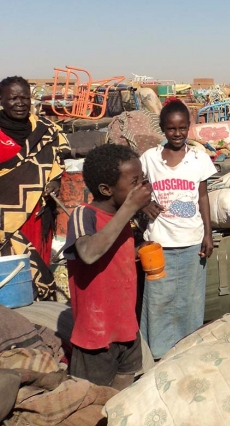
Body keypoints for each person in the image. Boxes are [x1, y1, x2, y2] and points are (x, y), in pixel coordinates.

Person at [63, 144, 153, 389]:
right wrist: (130, 208)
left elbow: (112, 256)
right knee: (92, 403)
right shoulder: (84, 215)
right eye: (135, 182)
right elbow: (89, 253)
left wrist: (138, 251)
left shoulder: (122, 217)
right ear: (106, 189)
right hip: (96, 336)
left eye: (142, 179)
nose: (142, 186)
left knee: (121, 398)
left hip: (126, 328)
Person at [140, 98, 216, 359]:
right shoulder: (150, 159)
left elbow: (203, 197)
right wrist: (145, 204)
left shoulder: (198, 159)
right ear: (162, 129)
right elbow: (133, 185)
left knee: (189, 300)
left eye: (182, 128)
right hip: (159, 243)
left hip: (192, 241)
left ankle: (188, 352)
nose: (177, 134)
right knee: (159, 300)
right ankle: (158, 354)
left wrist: (208, 233)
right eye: (171, 129)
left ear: (189, 127)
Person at [0, 76, 70, 301]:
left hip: (37, 217)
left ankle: (40, 320)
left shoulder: (46, 129)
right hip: (3, 221)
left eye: (25, 97)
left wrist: (55, 182)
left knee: (37, 270)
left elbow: (60, 159)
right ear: (1, 100)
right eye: (13, 98)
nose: (20, 103)